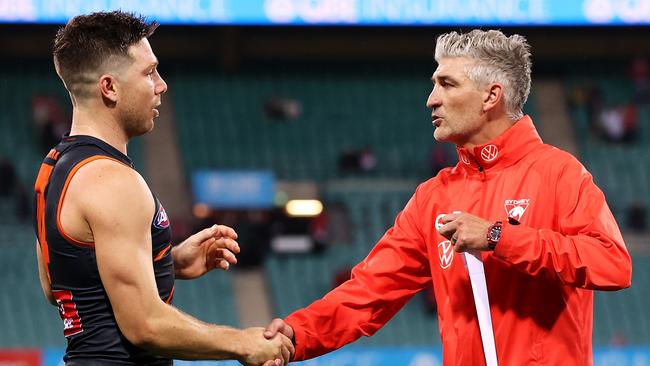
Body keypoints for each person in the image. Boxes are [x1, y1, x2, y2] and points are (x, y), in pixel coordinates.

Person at [263, 30, 632, 365]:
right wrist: (298, 334)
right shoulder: (433, 197)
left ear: (491, 96)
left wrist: (498, 237)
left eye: (447, 84)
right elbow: (369, 292)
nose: (431, 100)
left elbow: (612, 263)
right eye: (434, 84)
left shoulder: (558, 173)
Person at [33, 11, 293, 366]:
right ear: (109, 87)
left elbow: (60, 286)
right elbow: (146, 326)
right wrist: (242, 342)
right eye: (149, 72)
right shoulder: (112, 181)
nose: (161, 85)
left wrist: (164, 262)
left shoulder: (52, 170)